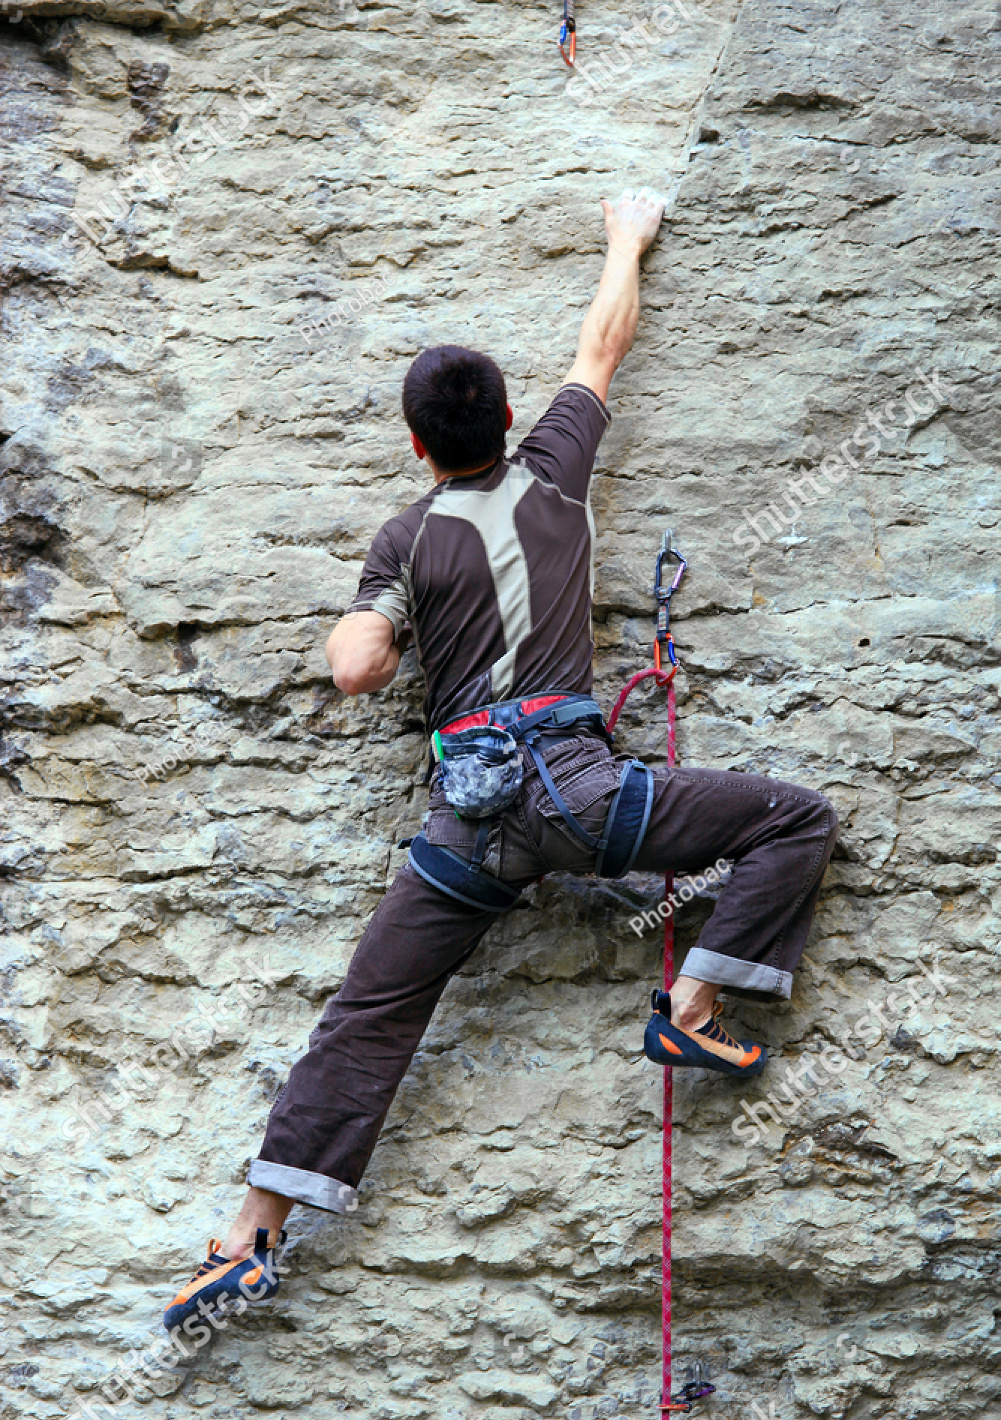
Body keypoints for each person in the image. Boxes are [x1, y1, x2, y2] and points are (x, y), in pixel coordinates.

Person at [164, 188, 837, 1329]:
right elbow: (600, 346)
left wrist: (377, 618)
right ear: (512, 414)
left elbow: (355, 668)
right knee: (794, 818)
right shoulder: (557, 470)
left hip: (468, 824)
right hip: (584, 799)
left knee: (369, 1013)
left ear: (417, 445)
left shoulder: (405, 537)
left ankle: (250, 1232)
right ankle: (690, 1001)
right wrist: (627, 236)